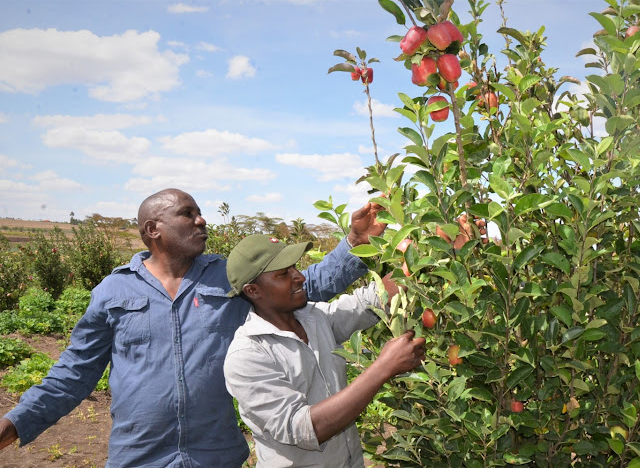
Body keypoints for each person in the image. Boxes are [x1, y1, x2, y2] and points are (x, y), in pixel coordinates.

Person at [0, 188, 386, 467]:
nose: (201, 220)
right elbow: (74, 373)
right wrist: (15, 423)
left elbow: (303, 285)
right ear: (153, 228)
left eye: (200, 212)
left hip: (215, 454)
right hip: (139, 456)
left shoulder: (227, 278)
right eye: (188, 213)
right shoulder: (113, 290)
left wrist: (354, 242)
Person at [223, 234, 426, 467]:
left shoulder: (314, 317)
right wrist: (383, 368)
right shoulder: (247, 356)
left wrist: (428, 253)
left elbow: (370, 300)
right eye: (283, 274)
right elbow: (305, 429)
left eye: (294, 268)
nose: (299, 277)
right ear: (252, 291)